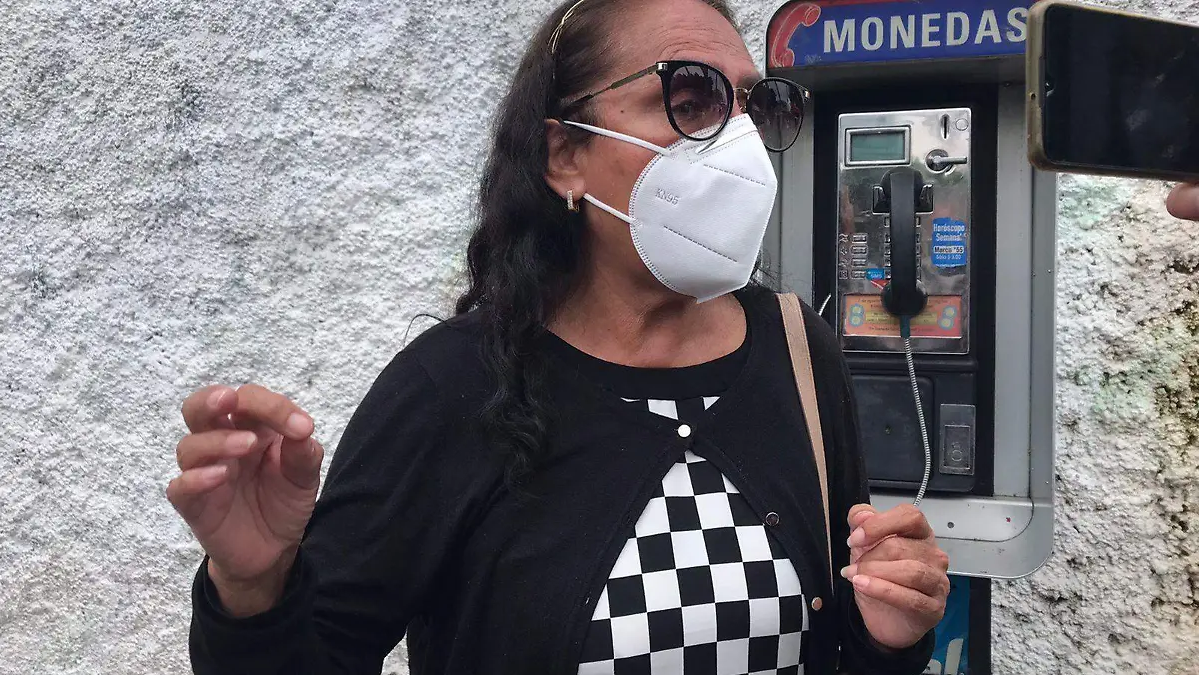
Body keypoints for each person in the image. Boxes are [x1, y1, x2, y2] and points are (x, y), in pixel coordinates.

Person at [168, 1, 961, 673]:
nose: (740, 145)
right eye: (690, 101)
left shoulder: (797, 348)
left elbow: (836, 639)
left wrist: (889, 632)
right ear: (565, 156)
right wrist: (254, 587)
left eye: (753, 107)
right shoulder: (456, 386)